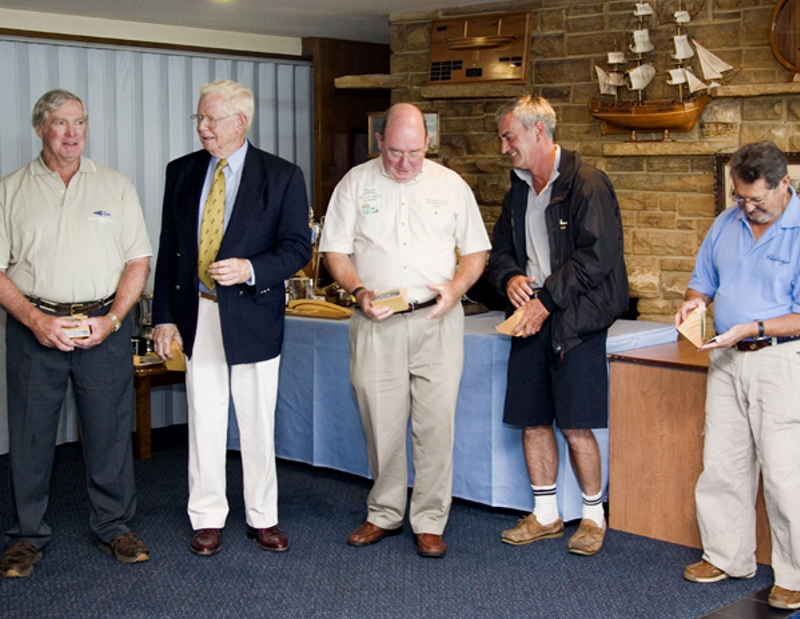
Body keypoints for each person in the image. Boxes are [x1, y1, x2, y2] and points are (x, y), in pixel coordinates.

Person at [320, 103, 490, 558]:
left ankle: (430, 520)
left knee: (436, 424)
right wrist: (358, 291)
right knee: (381, 422)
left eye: (414, 153)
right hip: (376, 322)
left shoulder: (451, 186)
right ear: (379, 141)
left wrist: (456, 288)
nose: (403, 162)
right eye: (394, 152)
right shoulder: (355, 183)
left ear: (428, 144)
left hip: (437, 319)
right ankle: (384, 512)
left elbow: (476, 252)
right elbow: (335, 250)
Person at [152, 80, 310, 557]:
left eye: (211, 119)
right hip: (197, 313)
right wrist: (163, 317)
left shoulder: (282, 175)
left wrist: (251, 269)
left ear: (241, 122)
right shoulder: (181, 171)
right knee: (204, 418)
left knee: (257, 421)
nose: (202, 127)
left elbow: (297, 249)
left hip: (254, 314)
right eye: (199, 118)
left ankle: (263, 516)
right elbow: (169, 249)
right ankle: (206, 517)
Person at [0, 89, 152, 578]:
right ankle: (26, 535)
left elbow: (138, 261)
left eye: (80, 122)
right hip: (34, 328)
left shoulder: (115, 186)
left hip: (101, 326)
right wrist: (35, 321)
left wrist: (113, 320)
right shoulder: (9, 190)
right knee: (30, 436)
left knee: (109, 433)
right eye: (61, 123)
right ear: (39, 128)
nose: (72, 133)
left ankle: (114, 526)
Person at [488, 95, 628, 556]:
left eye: (509, 137)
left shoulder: (589, 184)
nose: (504, 147)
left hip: (576, 322)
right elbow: (500, 250)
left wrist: (546, 301)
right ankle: (546, 514)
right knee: (532, 421)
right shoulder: (517, 191)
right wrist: (510, 278)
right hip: (530, 318)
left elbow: (597, 257)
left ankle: (593, 517)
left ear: (538, 132)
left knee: (575, 425)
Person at [674, 141, 800, 610]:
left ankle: (795, 574)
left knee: (785, 473)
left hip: (781, 360)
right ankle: (727, 556)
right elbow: (702, 283)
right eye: (739, 197)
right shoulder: (725, 224)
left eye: (756, 199)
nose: (747, 207)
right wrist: (693, 305)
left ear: (784, 183)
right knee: (722, 463)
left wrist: (754, 328)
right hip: (726, 359)